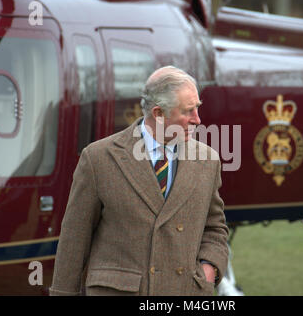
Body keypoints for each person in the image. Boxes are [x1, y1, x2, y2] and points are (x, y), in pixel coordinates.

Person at [49, 66, 229, 296]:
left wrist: (208, 271)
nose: (198, 119)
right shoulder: (98, 158)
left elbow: (215, 228)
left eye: (197, 108)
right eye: (187, 111)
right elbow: (75, 237)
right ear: (158, 114)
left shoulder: (208, 160)